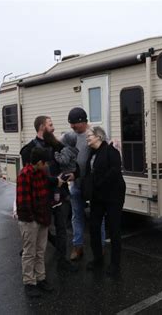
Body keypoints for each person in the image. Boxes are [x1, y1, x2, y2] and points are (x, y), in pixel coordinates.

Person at [19, 116, 78, 272]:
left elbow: (72, 162)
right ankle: (34, 270)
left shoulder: (57, 145)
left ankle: (62, 261)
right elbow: (29, 176)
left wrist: (75, 174)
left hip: (60, 195)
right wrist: (53, 180)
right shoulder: (28, 150)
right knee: (38, 229)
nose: (53, 128)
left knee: (62, 229)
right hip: (41, 197)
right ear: (41, 128)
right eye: (50, 125)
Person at [16, 147, 64, 297]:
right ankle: (29, 282)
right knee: (29, 253)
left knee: (40, 251)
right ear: (39, 162)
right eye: (45, 163)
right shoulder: (25, 174)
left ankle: (40, 278)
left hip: (42, 219)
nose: (47, 165)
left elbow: (49, 182)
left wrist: (58, 180)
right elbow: (23, 203)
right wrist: (32, 220)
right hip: (30, 221)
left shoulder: (40, 173)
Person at [84, 126, 126, 276]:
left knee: (114, 229)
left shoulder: (111, 151)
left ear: (98, 137)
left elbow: (114, 171)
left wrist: (98, 183)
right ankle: (98, 259)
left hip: (113, 195)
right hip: (97, 196)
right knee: (94, 226)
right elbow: (90, 172)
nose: (87, 137)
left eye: (90, 135)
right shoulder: (92, 153)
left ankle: (115, 265)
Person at [66, 107, 105, 261]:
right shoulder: (70, 136)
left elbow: (104, 150)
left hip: (93, 184)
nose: (72, 127)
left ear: (82, 121)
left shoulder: (95, 133)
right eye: (70, 124)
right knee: (77, 215)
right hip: (76, 182)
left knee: (98, 215)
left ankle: (100, 246)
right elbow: (58, 145)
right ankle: (78, 246)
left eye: (74, 123)